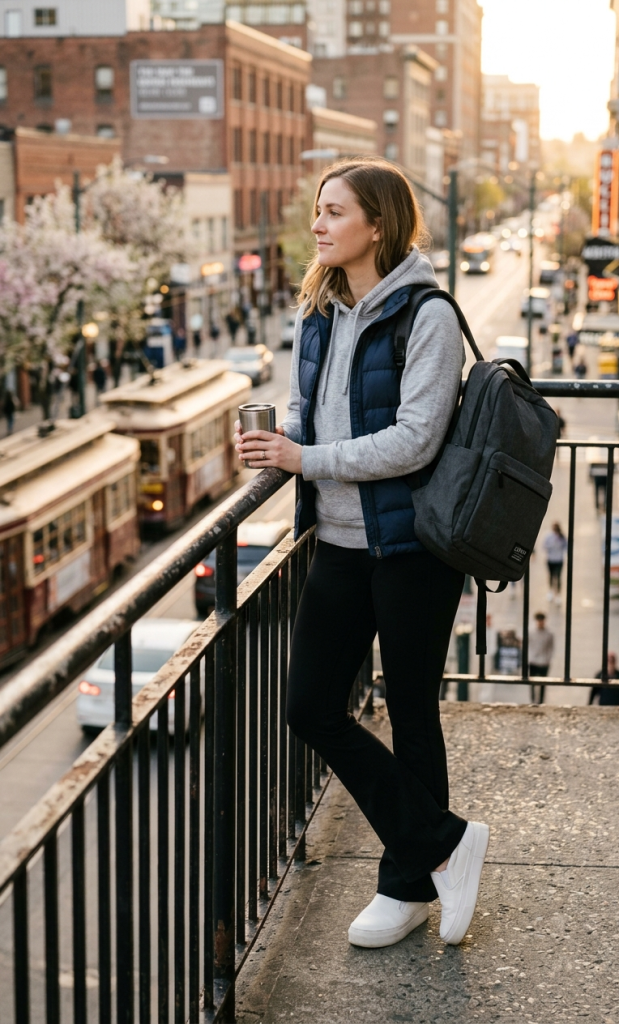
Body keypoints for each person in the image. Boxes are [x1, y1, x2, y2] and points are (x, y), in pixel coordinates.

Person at [234, 157, 489, 951]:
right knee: (309, 706)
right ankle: (443, 840)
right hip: (339, 543)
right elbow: (313, 412)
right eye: (317, 210)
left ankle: (405, 886)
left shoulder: (427, 314)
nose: (317, 224)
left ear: (377, 223)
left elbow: (415, 441)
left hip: (411, 546)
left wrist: (302, 460)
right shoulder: (321, 309)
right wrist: (283, 442)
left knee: (412, 712)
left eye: (334, 212)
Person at [528, 612, 554, 704]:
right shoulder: (531, 632)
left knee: (543, 683)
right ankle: (533, 700)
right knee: (531, 682)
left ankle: (541, 701)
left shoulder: (548, 634)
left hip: (544, 662)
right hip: (533, 661)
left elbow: (551, 648)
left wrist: (548, 659)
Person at [543, 522, 567, 603]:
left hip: (559, 559)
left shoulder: (562, 537)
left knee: (558, 577)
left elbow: (566, 547)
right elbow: (544, 546)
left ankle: (558, 595)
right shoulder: (549, 536)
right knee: (551, 576)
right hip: (551, 559)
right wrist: (551, 545)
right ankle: (551, 591)